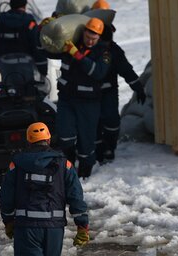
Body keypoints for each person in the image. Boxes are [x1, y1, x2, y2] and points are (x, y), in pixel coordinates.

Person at [0, 122, 89, 256]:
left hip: (27, 227)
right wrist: (82, 225)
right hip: (54, 228)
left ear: (28, 141)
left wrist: (8, 219)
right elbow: (76, 195)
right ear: (48, 139)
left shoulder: (17, 164)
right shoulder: (64, 164)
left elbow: (6, 195)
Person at [55, 17, 111, 179]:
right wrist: (46, 31)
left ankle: (85, 176)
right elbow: (48, 51)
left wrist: (77, 55)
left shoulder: (104, 53)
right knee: (64, 136)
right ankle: (68, 169)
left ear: (99, 37)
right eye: (87, 37)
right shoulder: (70, 45)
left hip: (88, 103)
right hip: (66, 99)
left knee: (86, 142)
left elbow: (98, 72)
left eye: (94, 39)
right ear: (83, 32)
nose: (90, 41)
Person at [92, 2, 146, 164]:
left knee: (112, 121)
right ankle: (97, 150)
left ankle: (109, 148)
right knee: (94, 122)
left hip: (108, 91)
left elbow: (125, 69)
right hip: (89, 92)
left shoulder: (113, 50)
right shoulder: (85, 39)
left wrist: (137, 87)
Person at [0, 0, 48, 84]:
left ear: (11, 5)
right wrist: (43, 69)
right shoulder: (29, 22)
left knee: (6, 87)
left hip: (5, 66)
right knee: (29, 88)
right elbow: (37, 47)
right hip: (26, 67)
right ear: (25, 6)